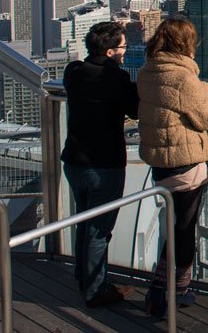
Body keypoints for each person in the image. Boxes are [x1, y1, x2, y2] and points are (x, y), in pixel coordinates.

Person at [136, 17, 208, 317]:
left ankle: (164, 291)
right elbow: (206, 116)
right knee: (184, 232)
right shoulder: (183, 78)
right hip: (186, 163)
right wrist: (207, 90)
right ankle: (168, 293)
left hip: (160, 163)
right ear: (185, 44)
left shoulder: (147, 72)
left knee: (173, 228)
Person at [61, 21, 139, 307]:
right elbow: (134, 108)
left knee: (83, 222)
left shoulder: (73, 71)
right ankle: (96, 290)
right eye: (122, 48)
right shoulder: (115, 79)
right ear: (109, 52)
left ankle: (84, 278)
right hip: (104, 164)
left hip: (74, 161)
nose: (124, 52)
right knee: (99, 230)